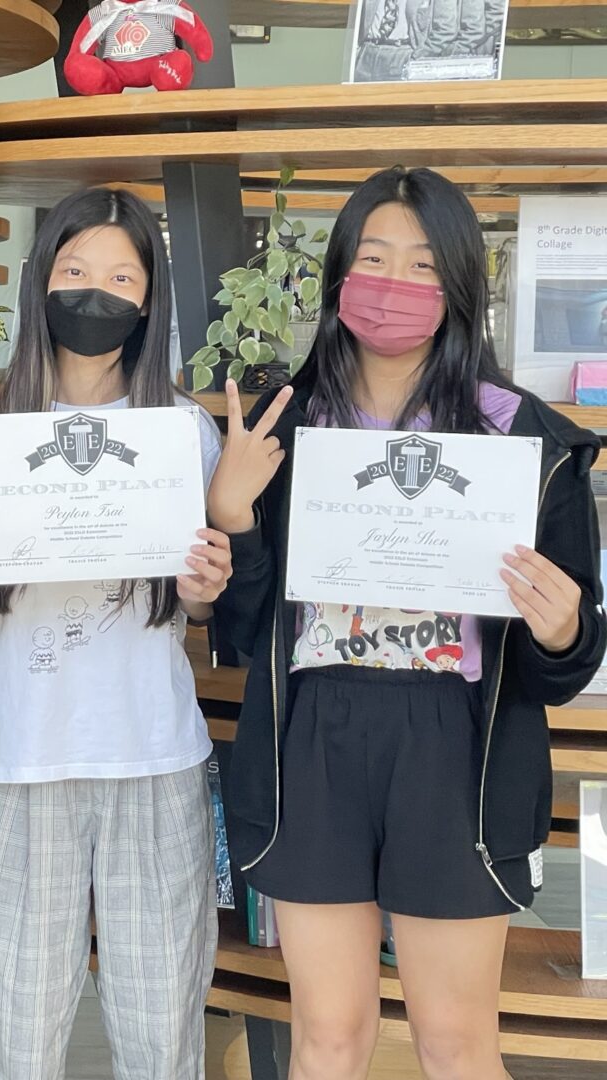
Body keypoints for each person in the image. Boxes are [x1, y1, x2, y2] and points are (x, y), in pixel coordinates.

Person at [209, 166, 606, 1080]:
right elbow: (246, 628)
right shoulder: (284, 425)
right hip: (315, 736)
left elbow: (559, 669)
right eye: (375, 259)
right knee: (328, 1037)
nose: (396, 284)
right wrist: (233, 519)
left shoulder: (527, 440)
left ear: (460, 283)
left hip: (455, 747)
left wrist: (562, 630)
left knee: (456, 1043)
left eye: (424, 265)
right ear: (340, 275)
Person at [0, 186, 232, 1079]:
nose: (94, 292)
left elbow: (198, 612)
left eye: (120, 276)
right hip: (24, 759)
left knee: (162, 1040)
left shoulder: (184, 433)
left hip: (155, 756)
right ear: (41, 283)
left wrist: (206, 591)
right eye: (74, 270)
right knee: (17, 1045)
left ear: (148, 300)